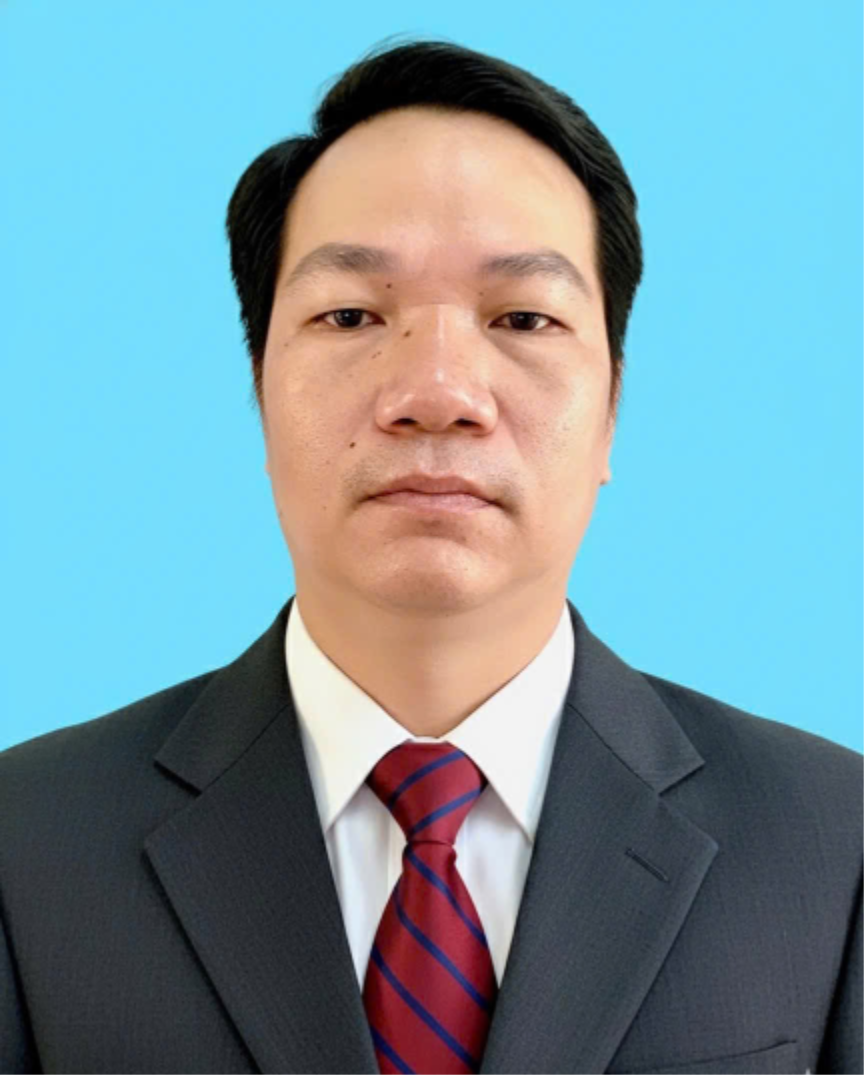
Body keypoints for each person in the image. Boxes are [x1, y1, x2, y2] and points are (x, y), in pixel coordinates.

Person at [0, 35, 860, 1075]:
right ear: (261, 389)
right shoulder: (27, 844)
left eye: (523, 317)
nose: (438, 392)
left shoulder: (834, 841)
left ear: (612, 411)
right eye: (351, 314)